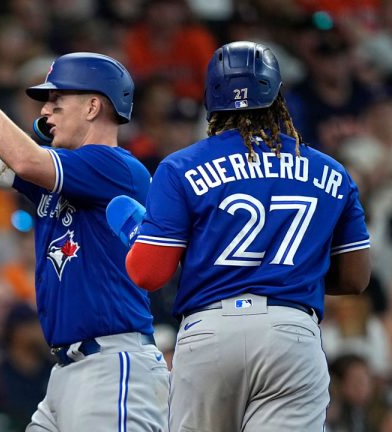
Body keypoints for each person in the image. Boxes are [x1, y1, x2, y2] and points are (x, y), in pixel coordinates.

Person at [0, 12, 169, 431]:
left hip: (113, 366)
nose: (46, 111)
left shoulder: (114, 166)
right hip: (69, 372)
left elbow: (24, 158)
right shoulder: (64, 173)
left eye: (56, 102)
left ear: (93, 106)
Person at [109, 41, 371, 431]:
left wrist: (134, 231)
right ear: (278, 95)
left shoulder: (181, 165)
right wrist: (294, 274)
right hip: (292, 330)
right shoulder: (332, 171)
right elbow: (355, 278)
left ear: (211, 100)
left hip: (210, 331)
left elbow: (148, 274)